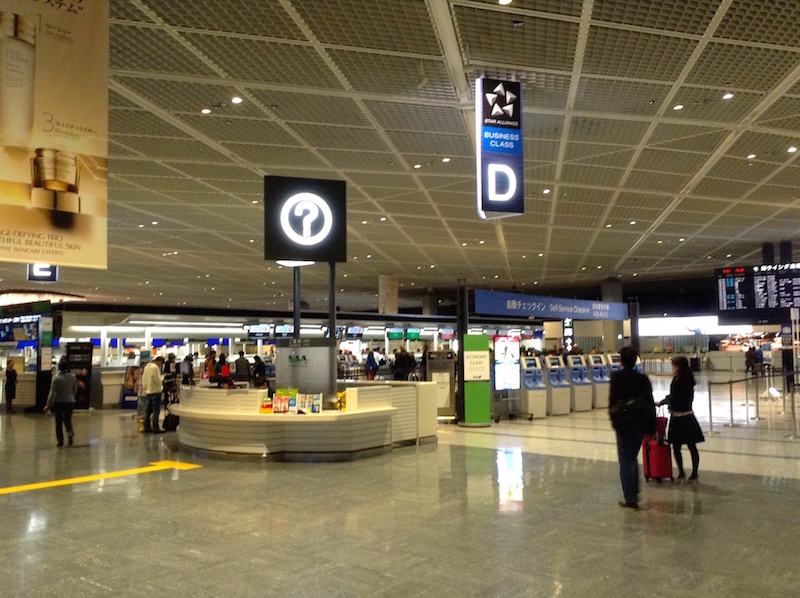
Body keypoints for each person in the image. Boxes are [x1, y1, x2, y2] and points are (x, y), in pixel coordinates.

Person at [608, 346, 656, 510]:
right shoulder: (643, 379)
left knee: (625, 461)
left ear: (621, 361)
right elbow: (650, 402)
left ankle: (630, 498)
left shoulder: (617, 377)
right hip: (640, 424)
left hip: (624, 424)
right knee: (633, 457)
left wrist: (614, 420)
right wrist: (652, 427)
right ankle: (634, 492)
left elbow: (612, 401)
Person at [658, 356, 705, 482]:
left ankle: (682, 473)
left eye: (673, 366)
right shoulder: (687, 379)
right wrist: (665, 401)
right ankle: (693, 473)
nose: (672, 368)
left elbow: (674, 397)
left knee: (677, 446)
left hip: (679, 417)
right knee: (691, 446)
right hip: (687, 416)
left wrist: (663, 402)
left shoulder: (680, 381)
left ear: (678, 367)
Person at [44, 359, 78, 446]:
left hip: (58, 401)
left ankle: (60, 440)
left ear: (59, 367)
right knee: (67, 420)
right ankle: (70, 434)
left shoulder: (55, 378)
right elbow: (75, 389)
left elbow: (52, 392)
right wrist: (71, 396)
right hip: (70, 401)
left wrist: (48, 404)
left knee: (58, 421)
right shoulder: (72, 377)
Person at [142, 356, 165, 433]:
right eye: (161, 364)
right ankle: (156, 428)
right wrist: (162, 377)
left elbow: (144, 380)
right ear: (160, 362)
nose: (161, 366)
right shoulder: (155, 368)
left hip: (148, 392)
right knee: (156, 411)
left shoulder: (146, 367)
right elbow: (157, 380)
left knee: (148, 411)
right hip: (156, 391)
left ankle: (146, 427)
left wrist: (146, 389)